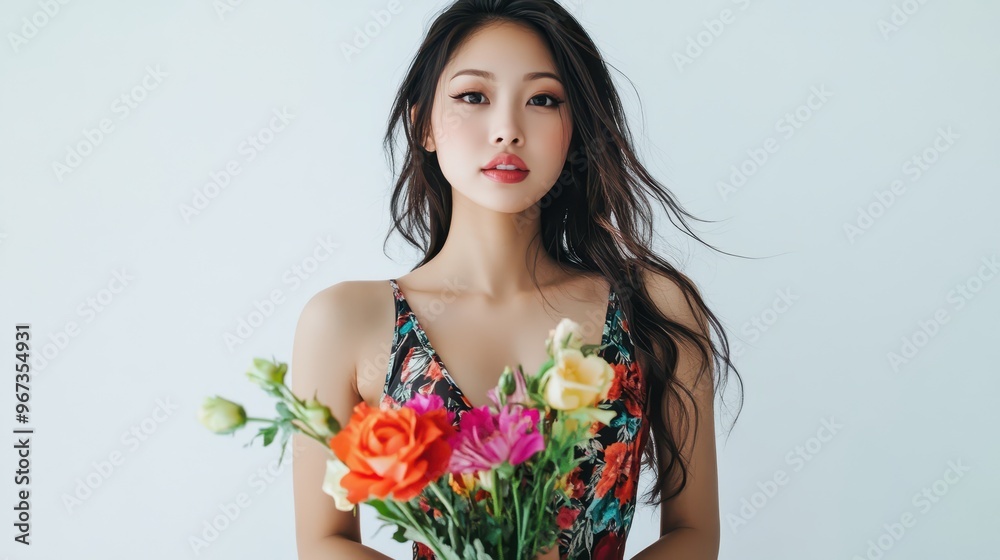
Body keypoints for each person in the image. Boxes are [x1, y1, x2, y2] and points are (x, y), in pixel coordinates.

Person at [291, 1, 743, 559]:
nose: (507, 129)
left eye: (543, 100)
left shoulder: (654, 306)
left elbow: (693, 533)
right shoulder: (346, 320)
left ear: (573, 131)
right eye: (473, 96)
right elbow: (323, 543)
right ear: (424, 125)